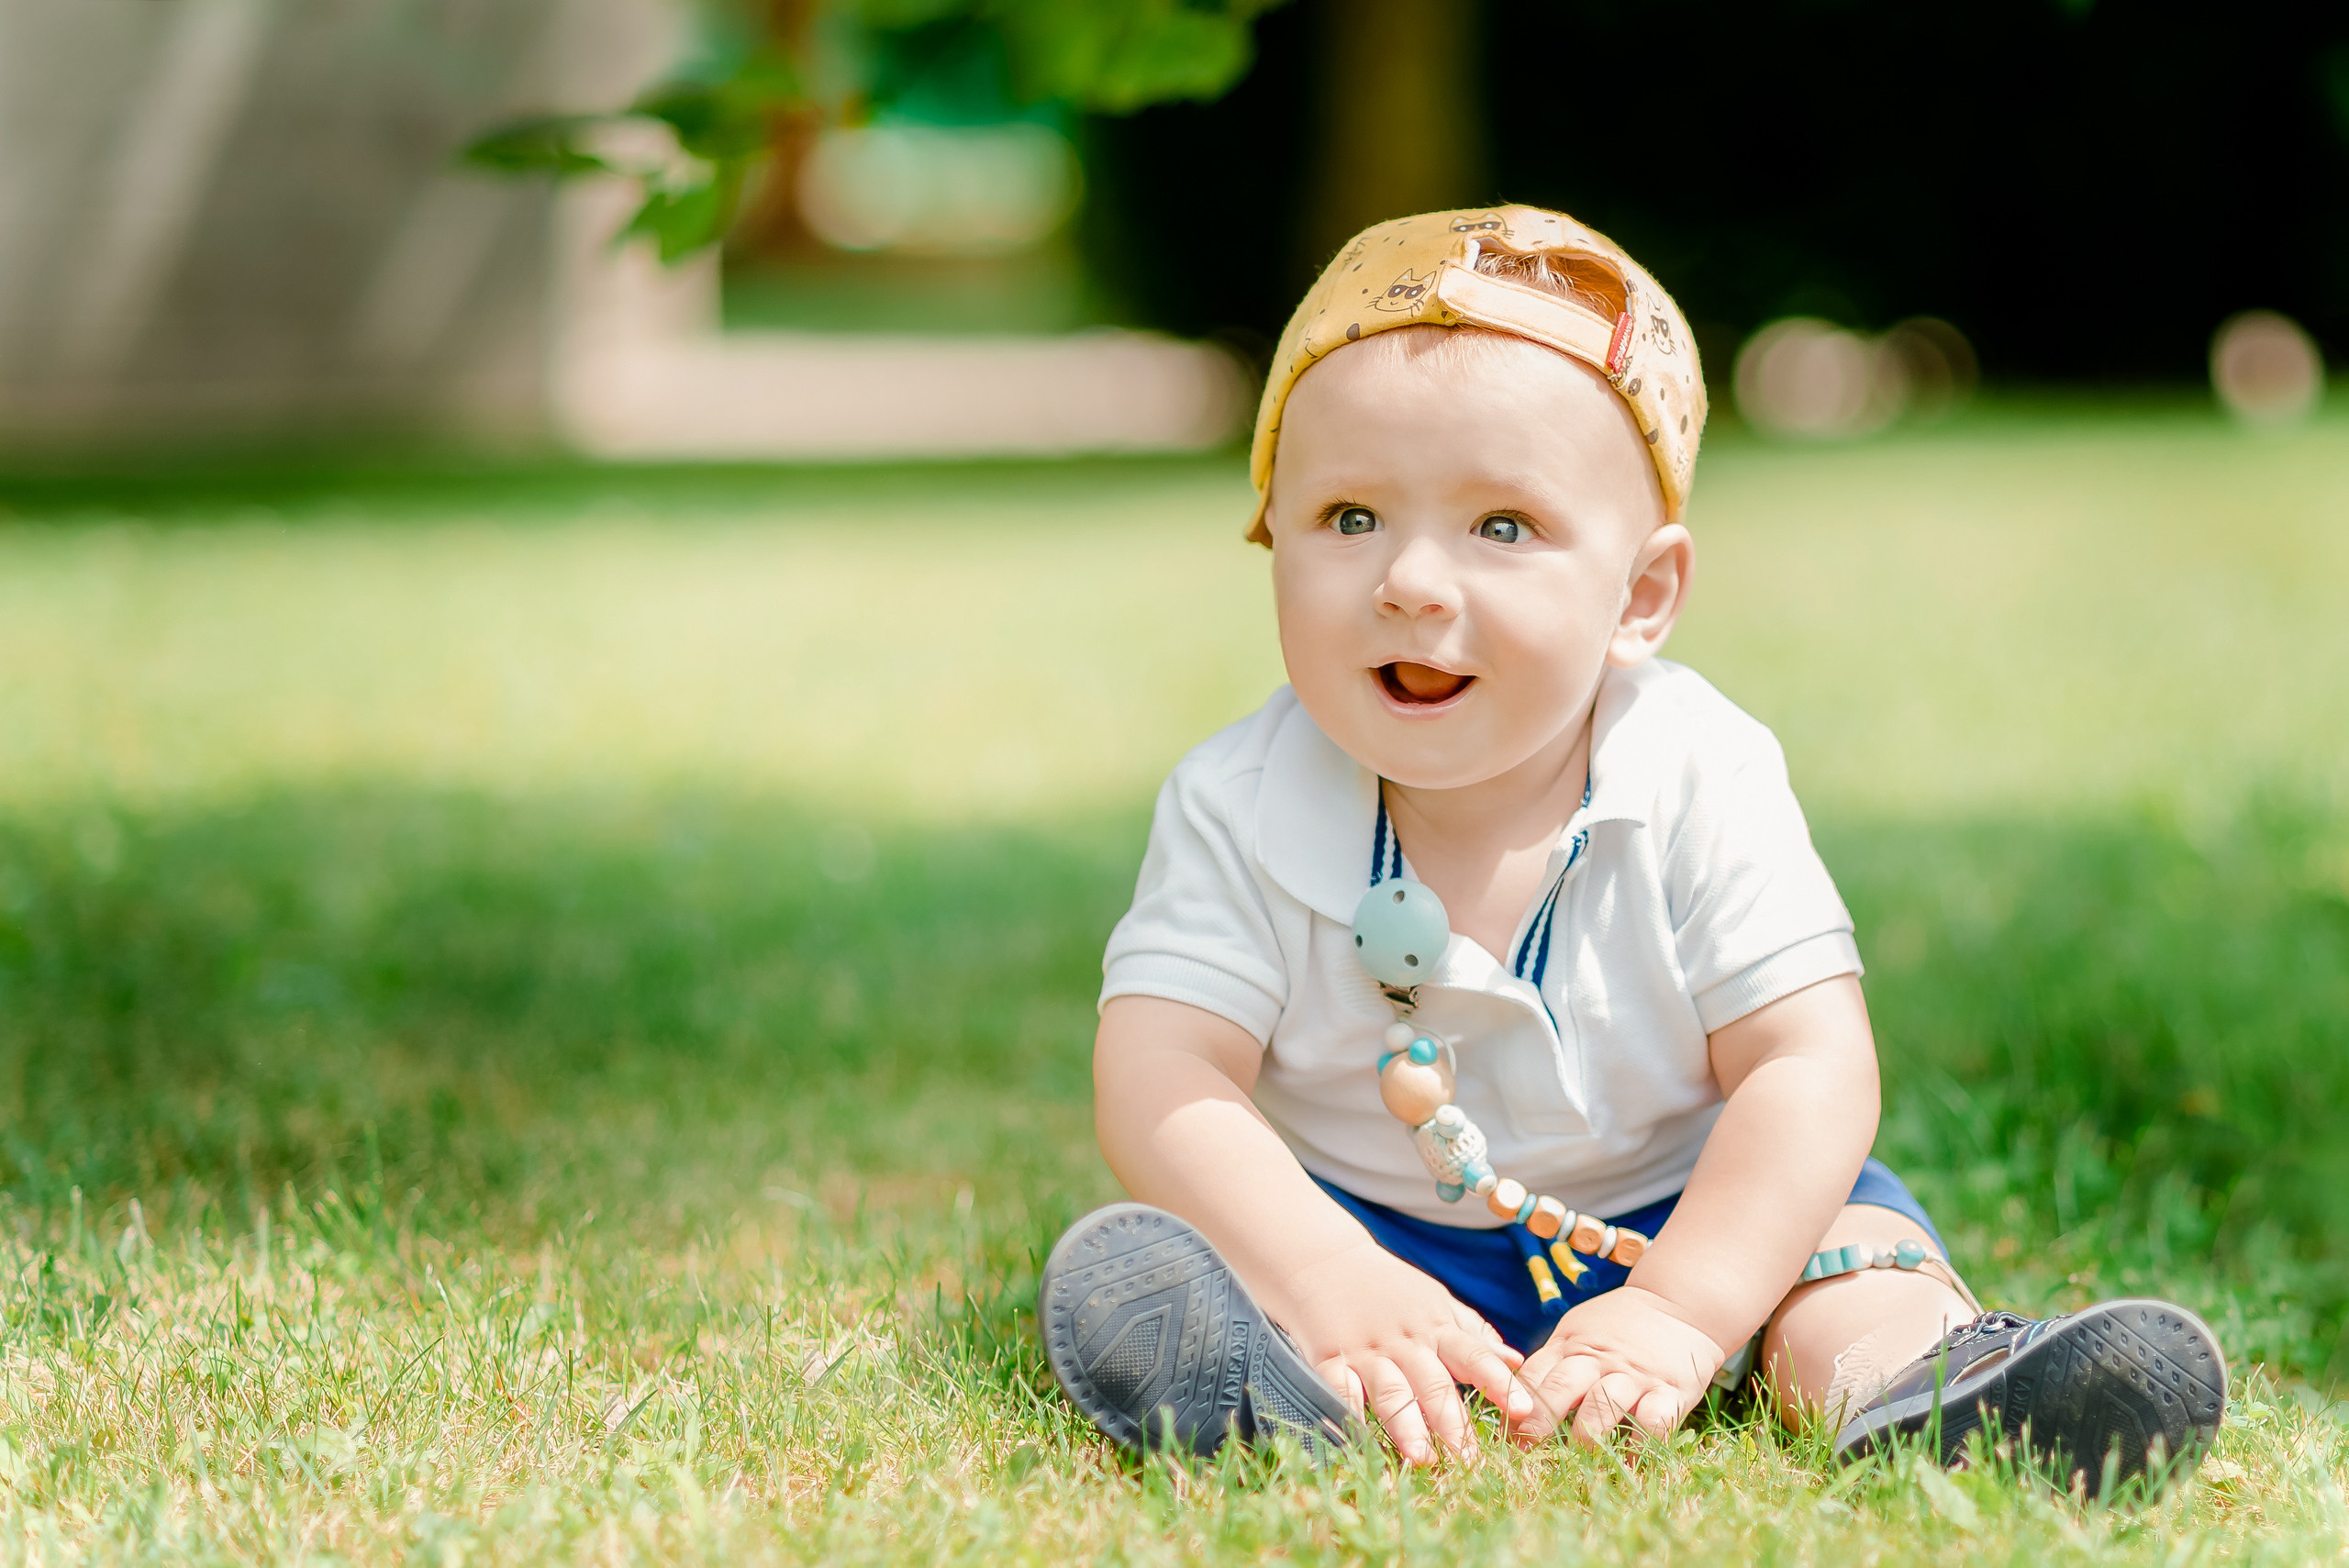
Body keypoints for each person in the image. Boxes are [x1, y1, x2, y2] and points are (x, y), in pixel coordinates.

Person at [1036, 206, 2226, 1495]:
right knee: (1270, 1273)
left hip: (1698, 1204)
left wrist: (1687, 1303)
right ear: (1274, 535)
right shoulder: (1241, 799)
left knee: (1848, 1267)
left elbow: (1806, 1063)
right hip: (1369, 1229)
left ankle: (1942, 1390)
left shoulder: (1699, 770)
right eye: (1348, 516)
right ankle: (1275, 1380)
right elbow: (1164, 1069)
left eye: (1500, 527)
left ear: (1642, 595)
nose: (1411, 582)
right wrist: (1331, 1274)